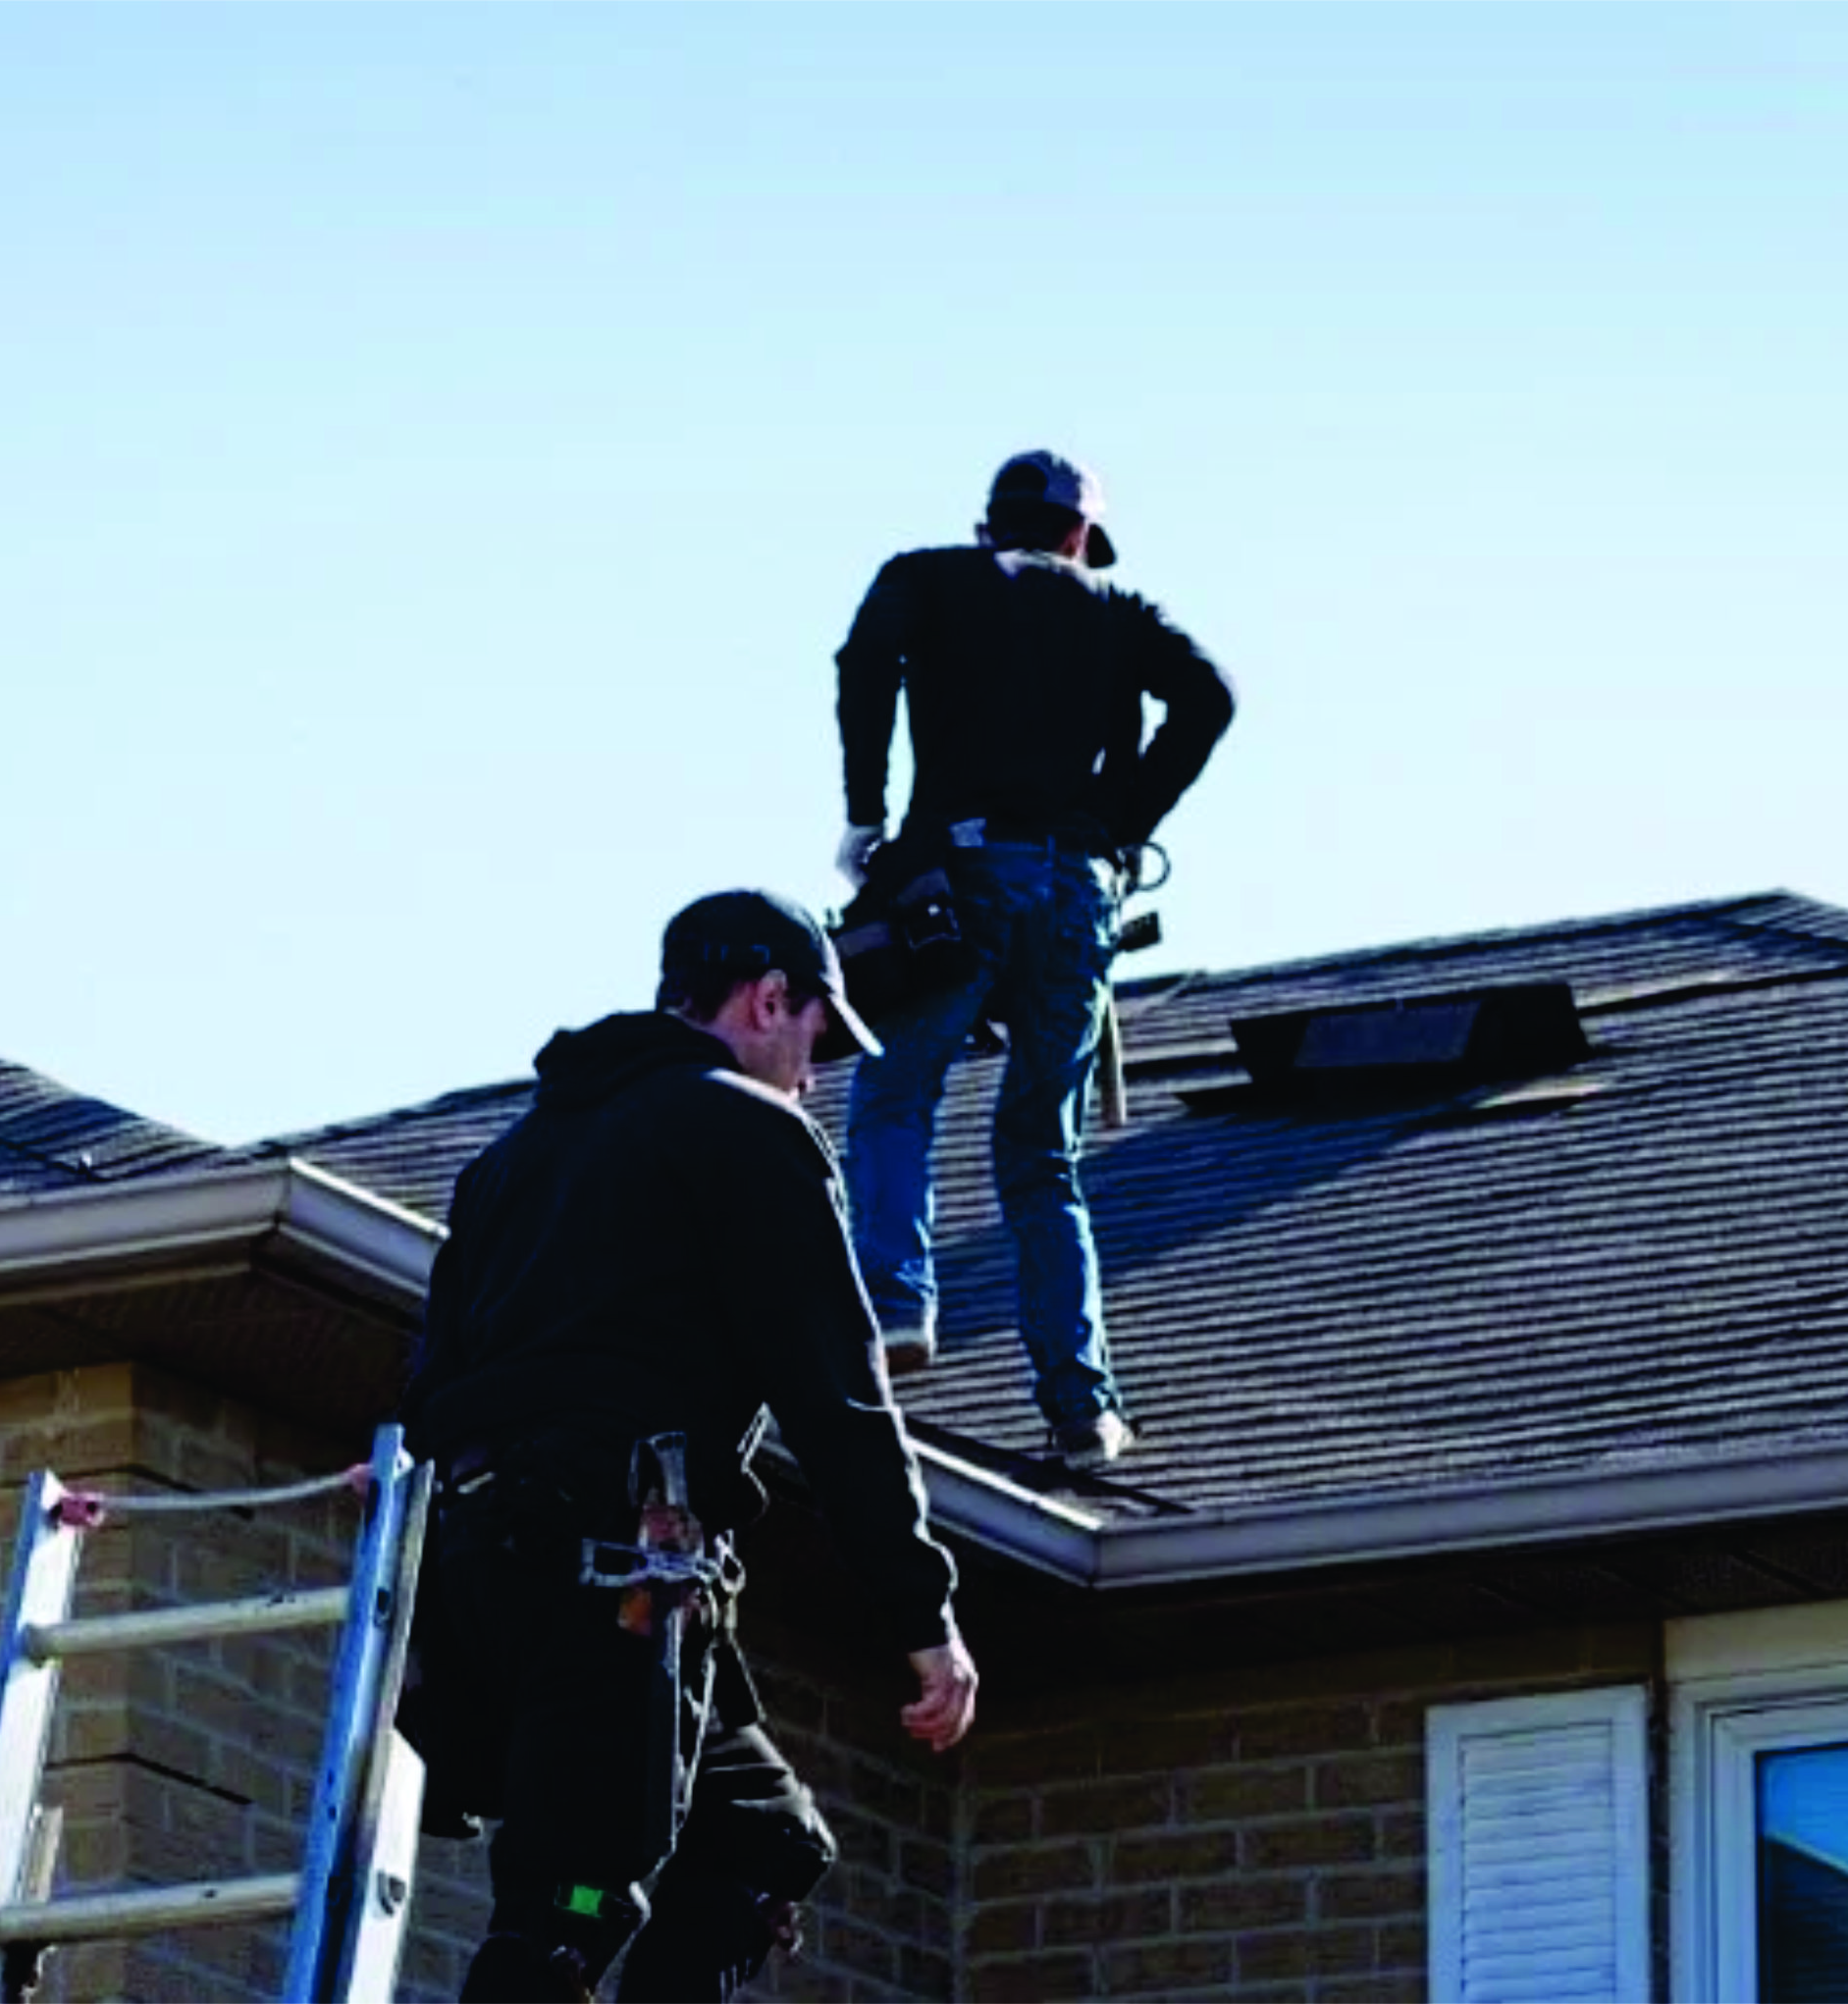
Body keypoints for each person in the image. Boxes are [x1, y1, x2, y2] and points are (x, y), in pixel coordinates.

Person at [397, 889, 980, 2002]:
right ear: (770, 998)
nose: (813, 1078)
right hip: (605, 1579)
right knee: (570, 1902)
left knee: (759, 1840)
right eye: (816, 1039)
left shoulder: (510, 1161)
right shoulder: (749, 1131)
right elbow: (838, 1399)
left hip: (487, 1576)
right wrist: (924, 1618)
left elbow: (430, 1389)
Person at [833, 449, 1237, 1470]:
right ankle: (1083, 1409)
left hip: (962, 875)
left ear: (989, 526)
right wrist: (1121, 818)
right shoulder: (1119, 612)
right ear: (1079, 538)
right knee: (1042, 1154)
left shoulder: (928, 577)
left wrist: (866, 812)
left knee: (896, 1092)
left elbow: (865, 658)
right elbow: (1211, 698)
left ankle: (895, 1305)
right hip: (1078, 891)